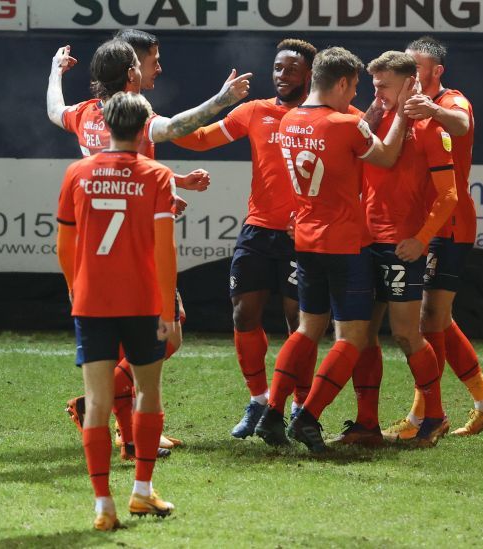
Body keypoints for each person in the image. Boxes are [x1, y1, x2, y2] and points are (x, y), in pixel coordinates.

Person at [47, 37, 251, 453]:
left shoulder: (85, 115)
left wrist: (54, 70)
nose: (155, 69)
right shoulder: (137, 117)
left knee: (131, 344)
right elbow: (177, 128)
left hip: (94, 251)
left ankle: (131, 436)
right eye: (150, 63)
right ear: (130, 72)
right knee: (166, 337)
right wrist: (222, 99)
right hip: (136, 247)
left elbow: (61, 116)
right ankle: (98, 408)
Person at [253, 46, 413, 452]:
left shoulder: (288, 120)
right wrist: (405, 114)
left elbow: (353, 131)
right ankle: (307, 417)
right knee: (353, 337)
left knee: (308, 329)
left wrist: (370, 116)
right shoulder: (345, 124)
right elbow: (388, 155)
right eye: (354, 87)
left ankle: (273, 413)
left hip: (305, 240)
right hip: (345, 243)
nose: (355, 96)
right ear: (340, 82)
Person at [173, 38, 318, 439]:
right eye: (277, 68)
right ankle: (258, 400)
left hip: (304, 236)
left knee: (299, 323)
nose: (281, 75)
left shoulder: (330, 115)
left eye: (291, 69)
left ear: (309, 74)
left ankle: (298, 407)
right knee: (243, 314)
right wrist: (156, 122)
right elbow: (198, 138)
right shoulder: (255, 111)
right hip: (257, 230)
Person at [56, 92, 178, 529]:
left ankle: (103, 505)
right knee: (147, 393)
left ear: (105, 125)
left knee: (98, 402)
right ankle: (142, 491)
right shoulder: (158, 176)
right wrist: (167, 307)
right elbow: (165, 249)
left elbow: (64, 246)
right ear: (144, 128)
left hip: (92, 301)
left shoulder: (77, 173)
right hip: (142, 301)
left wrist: (76, 289)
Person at [381, 36, 483, 441]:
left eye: (417, 69)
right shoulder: (398, 108)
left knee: (429, 318)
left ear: (436, 72)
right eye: (406, 68)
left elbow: (463, 123)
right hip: (417, 224)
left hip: (447, 223)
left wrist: (430, 108)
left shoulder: (451, 102)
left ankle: (426, 415)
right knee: (436, 318)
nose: (410, 76)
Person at [334, 51, 458, 449]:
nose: (377, 93)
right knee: (363, 335)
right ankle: (366, 423)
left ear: (409, 83)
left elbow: (450, 195)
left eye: (384, 86)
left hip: (402, 246)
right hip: (364, 243)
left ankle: (434, 416)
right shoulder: (372, 123)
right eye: (373, 86)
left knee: (407, 334)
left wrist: (421, 238)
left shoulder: (428, 127)